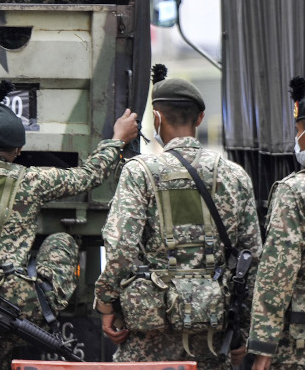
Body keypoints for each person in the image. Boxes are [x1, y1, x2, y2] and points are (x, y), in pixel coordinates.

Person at [0, 33, 137, 368]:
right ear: (18, 152)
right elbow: (89, 176)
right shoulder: (32, 180)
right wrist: (117, 140)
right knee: (63, 241)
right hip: (13, 306)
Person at [94, 64, 262, 370]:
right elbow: (251, 258)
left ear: (156, 118)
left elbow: (121, 249)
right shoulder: (235, 176)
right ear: (200, 118)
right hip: (212, 331)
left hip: (151, 331)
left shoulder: (140, 172)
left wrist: (106, 302)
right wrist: (244, 330)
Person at [247, 76, 305, 370]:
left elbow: (277, 274)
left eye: (298, 130)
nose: (297, 137)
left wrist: (263, 350)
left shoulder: (294, 192)